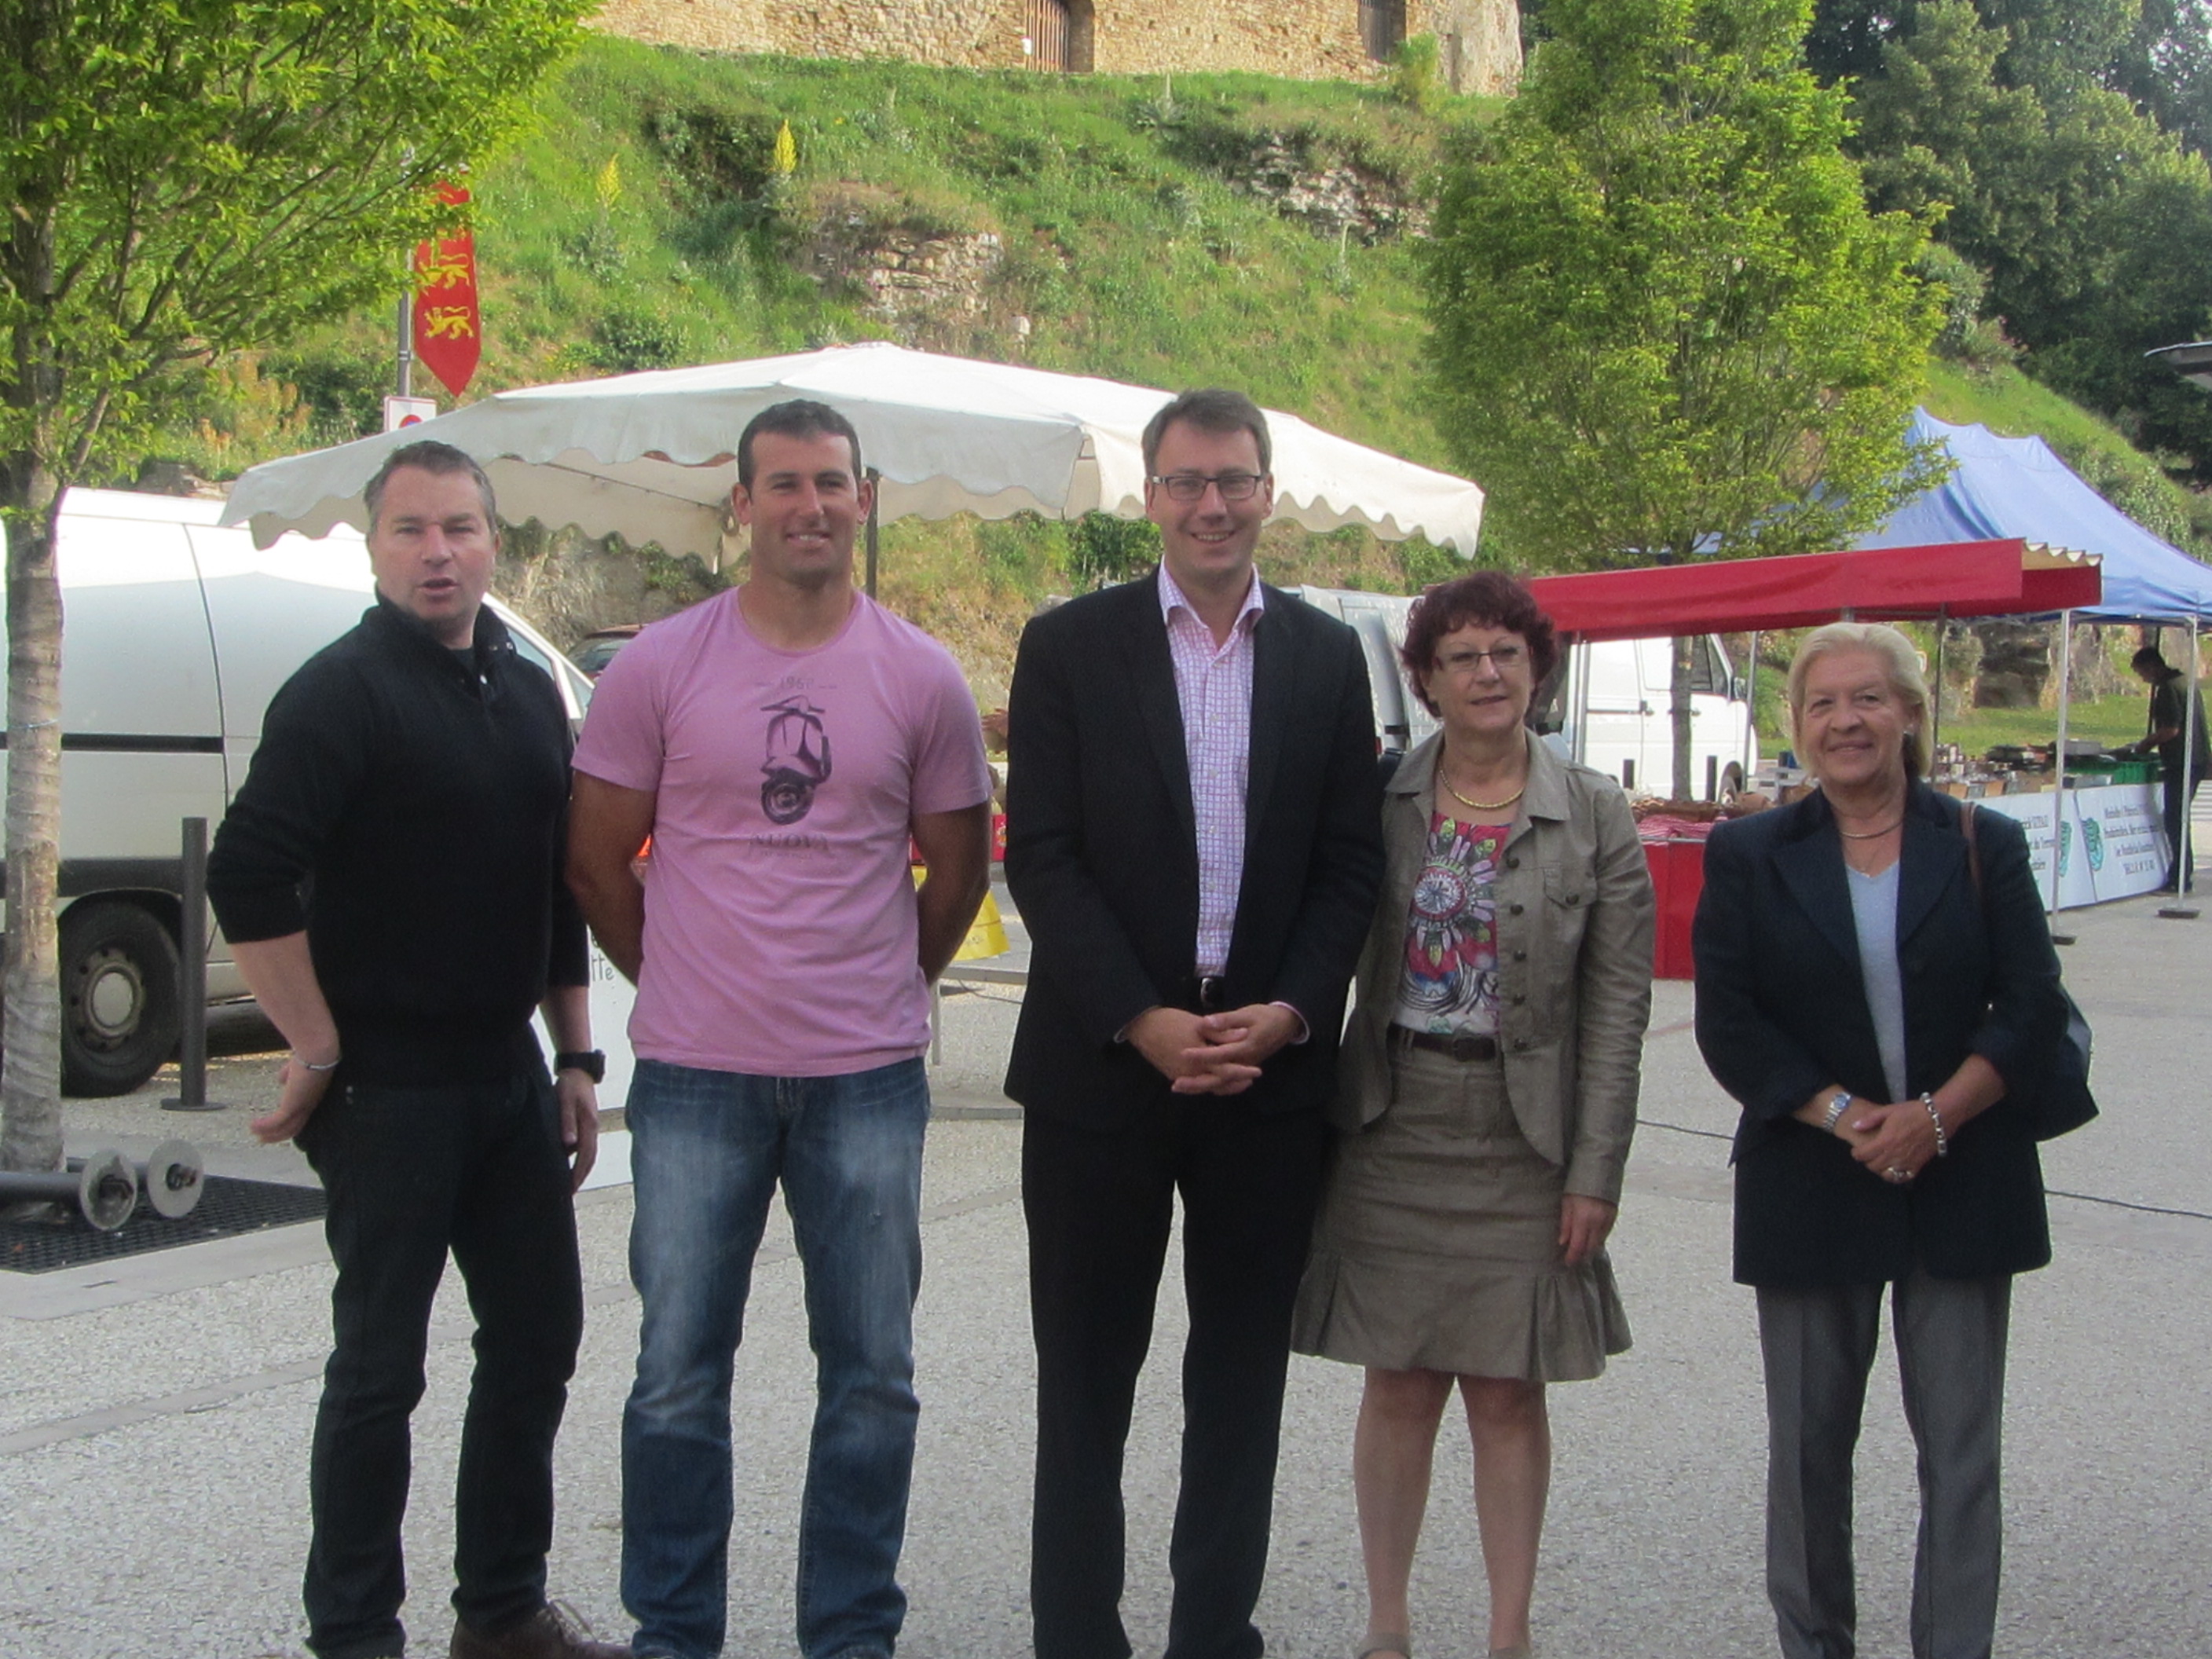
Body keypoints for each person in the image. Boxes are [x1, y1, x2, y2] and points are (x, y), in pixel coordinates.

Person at [566, 398, 993, 1659]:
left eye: (834, 483)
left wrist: (878, 987)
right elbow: (596, 864)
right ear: (740, 504)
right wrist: (685, 977)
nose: (812, 504)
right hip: (697, 1076)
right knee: (677, 1376)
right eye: (786, 484)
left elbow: (957, 876)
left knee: (872, 1381)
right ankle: (675, 1634)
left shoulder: (920, 675)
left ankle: (850, 1633)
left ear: (865, 499)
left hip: (865, 1080)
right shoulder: (659, 665)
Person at [206, 441, 624, 1659]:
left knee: (539, 1340)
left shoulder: (522, 681)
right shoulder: (341, 693)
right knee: (380, 1372)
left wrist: (576, 1060)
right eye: (409, 531)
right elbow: (248, 871)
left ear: (495, 541)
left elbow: (555, 886)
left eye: (458, 528)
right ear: (376, 546)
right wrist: (317, 1042)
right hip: (386, 1089)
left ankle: (500, 1611)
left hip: (503, 1077)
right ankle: (353, 1634)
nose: (437, 552)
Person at [1003, 386, 1385, 1659]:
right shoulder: (1067, 647)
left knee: (1238, 1380)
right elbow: (1042, 857)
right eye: (1185, 481)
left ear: (1269, 490)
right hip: (1101, 1074)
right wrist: (1141, 1017)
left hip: (1266, 1082)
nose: (1210, 503)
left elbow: (1347, 864)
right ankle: (1078, 1636)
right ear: (1149, 496)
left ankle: (1213, 1630)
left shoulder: (1329, 660)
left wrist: (1289, 1012)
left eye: (1233, 478)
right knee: (1086, 1383)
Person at [1291, 572, 1653, 1659]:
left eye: (1507, 652)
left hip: (1526, 1134)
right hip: (1394, 1120)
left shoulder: (1597, 813)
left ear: (1539, 667)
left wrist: (1596, 1170)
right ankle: (1387, 1627)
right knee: (1397, 1381)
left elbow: (1620, 1009)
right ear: (1426, 680)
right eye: (1462, 656)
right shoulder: (1376, 798)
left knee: (1506, 1391)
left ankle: (1508, 1635)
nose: (1488, 673)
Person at [1692, 622, 2067, 1659]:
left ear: (1909, 712)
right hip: (1813, 1178)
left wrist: (1938, 1115)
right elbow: (1729, 1021)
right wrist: (1853, 1118)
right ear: (1798, 724)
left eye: (1868, 699)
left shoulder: (1985, 845)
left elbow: (2031, 1006)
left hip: (1964, 1173)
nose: (1846, 721)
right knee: (1809, 1452)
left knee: (1960, 1454)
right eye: (1822, 703)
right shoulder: (1750, 853)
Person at [2126, 643, 2208, 892]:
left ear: (2152, 667)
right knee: (2177, 817)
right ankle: (2180, 872)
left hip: (2182, 760)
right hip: (2197, 758)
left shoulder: (2168, 689)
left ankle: (2181, 876)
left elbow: (2170, 730)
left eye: (2142, 673)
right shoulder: (2185, 681)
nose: (2143, 679)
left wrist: (2144, 745)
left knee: (2175, 819)